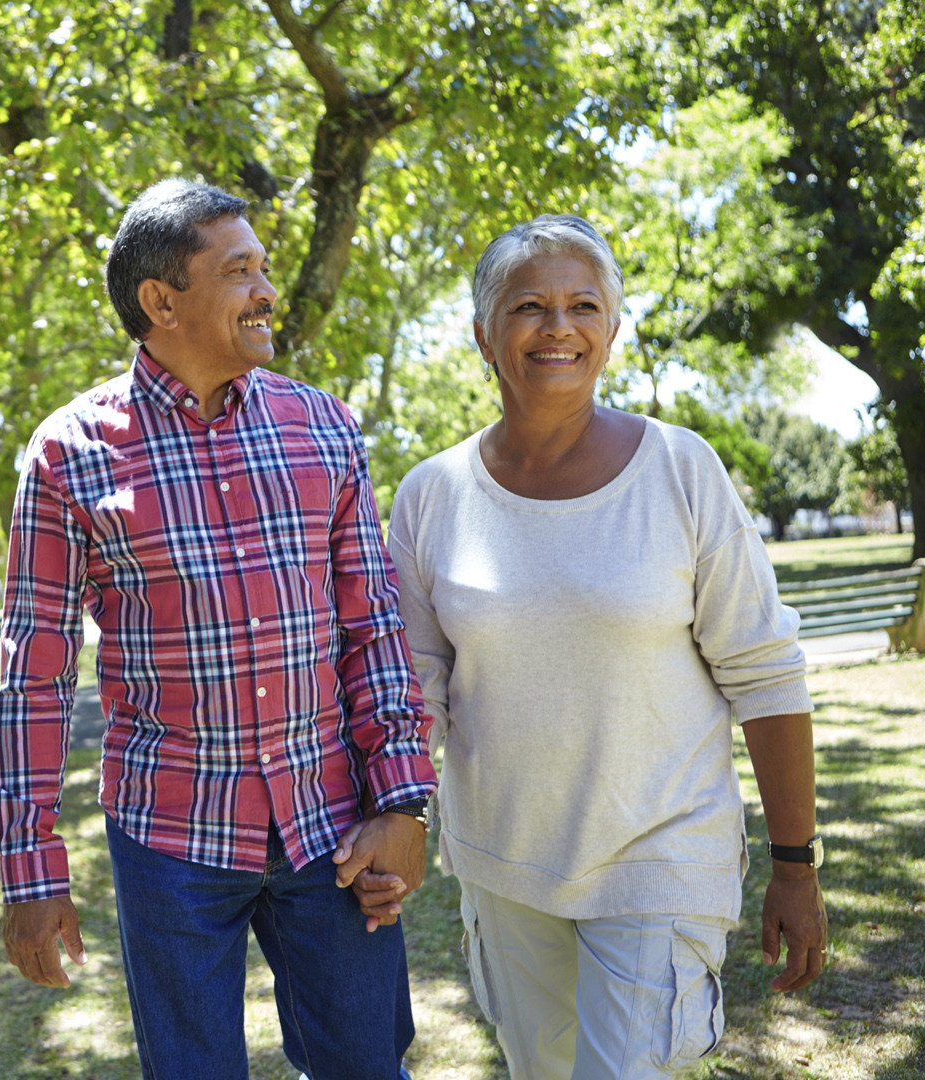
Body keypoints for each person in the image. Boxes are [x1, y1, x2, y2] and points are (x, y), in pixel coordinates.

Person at [343, 214, 827, 1078]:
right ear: (483, 332)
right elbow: (414, 685)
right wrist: (399, 816)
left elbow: (766, 671)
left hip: (658, 854)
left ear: (611, 328)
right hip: (504, 862)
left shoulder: (682, 471)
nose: (557, 327)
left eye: (583, 305)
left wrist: (796, 864)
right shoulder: (431, 495)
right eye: (528, 305)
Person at [0, 179, 438, 1080]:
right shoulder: (67, 454)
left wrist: (400, 801)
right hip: (171, 838)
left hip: (333, 829)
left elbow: (373, 625)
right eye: (239, 271)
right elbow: (35, 677)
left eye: (264, 268)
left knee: (367, 1066)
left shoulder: (325, 427)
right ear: (162, 301)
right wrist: (30, 871)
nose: (267, 290)